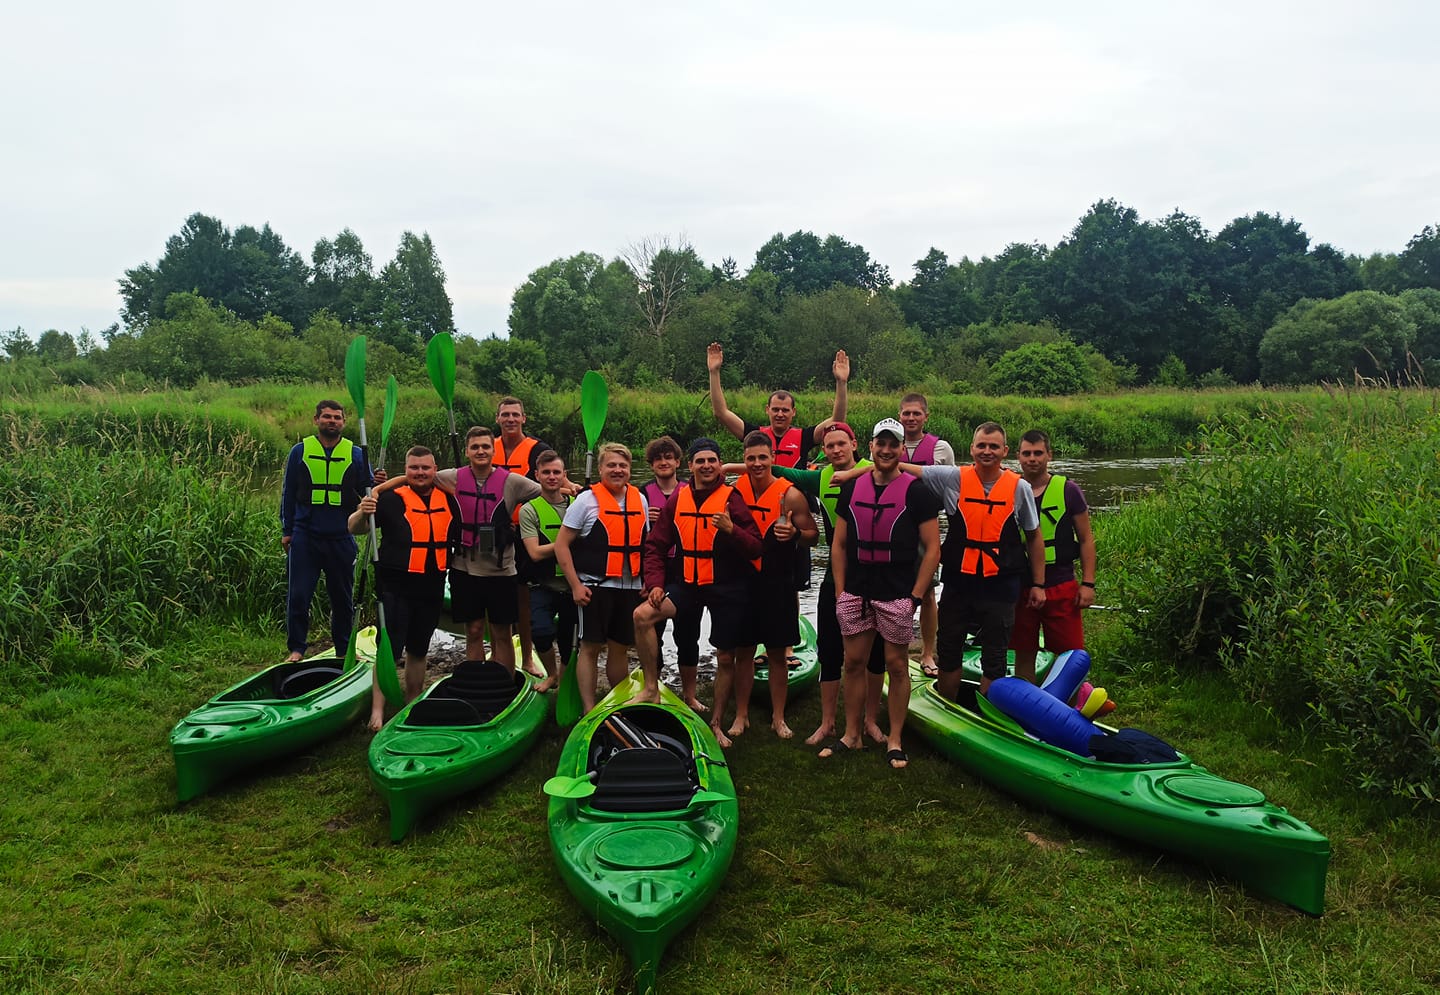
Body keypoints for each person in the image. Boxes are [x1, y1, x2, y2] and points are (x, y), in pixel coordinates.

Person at [823, 419, 942, 769]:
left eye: (894, 445)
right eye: (881, 444)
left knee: (897, 664)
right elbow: (838, 544)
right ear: (871, 446)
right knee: (853, 662)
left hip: (896, 592)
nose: (887, 450)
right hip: (856, 591)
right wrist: (841, 591)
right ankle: (852, 734)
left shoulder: (917, 492)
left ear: (902, 449)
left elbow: (933, 549)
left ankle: (894, 739)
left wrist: (915, 597)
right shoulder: (851, 489)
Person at [905, 423, 1047, 702]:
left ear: (1005, 451)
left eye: (994, 446)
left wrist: (1038, 584)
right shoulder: (952, 478)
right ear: (971, 449)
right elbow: (903, 468)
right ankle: (948, 702)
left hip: (1000, 585)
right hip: (959, 583)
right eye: (981, 445)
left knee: (995, 655)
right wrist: (855, 471)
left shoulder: (1019, 488)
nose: (987, 451)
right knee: (949, 649)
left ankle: (989, 710)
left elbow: (1034, 537)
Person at [379, 426, 540, 669]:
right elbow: (416, 477)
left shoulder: (513, 481)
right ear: (466, 451)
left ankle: (504, 684)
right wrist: (379, 490)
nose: (480, 451)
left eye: (485, 446)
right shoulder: (452, 477)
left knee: (502, 633)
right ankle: (476, 680)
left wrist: (569, 487)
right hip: (464, 568)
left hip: (501, 570)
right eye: (475, 447)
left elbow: (546, 489)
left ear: (493, 450)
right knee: (473, 630)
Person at [632, 438, 763, 736]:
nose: (706, 466)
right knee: (642, 616)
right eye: (700, 461)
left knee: (725, 657)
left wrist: (732, 529)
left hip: (725, 588)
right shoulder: (678, 500)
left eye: (712, 460)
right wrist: (655, 583)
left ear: (720, 465)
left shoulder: (732, 498)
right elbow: (655, 545)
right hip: (687, 585)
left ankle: (716, 723)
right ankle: (651, 688)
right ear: (690, 466)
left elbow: (756, 547)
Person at [768, 423, 886, 745]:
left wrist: (852, 474)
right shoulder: (820, 478)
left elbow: (898, 468)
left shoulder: (876, 468)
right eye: (829, 446)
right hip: (837, 574)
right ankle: (828, 723)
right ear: (823, 451)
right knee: (830, 650)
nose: (835, 450)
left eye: (841, 444)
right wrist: (729, 468)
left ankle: (870, 722)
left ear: (854, 444)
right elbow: (777, 470)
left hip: (875, 574)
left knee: (876, 653)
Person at [349, 446, 460, 731]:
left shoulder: (449, 499)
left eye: (425, 468)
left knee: (419, 649)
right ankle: (377, 710)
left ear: (435, 470)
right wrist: (363, 511)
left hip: (432, 584)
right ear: (406, 469)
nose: (420, 473)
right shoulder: (389, 499)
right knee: (389, 649)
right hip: (395, 586)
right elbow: (354, 528)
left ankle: (412, 702)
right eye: (414, 468)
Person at [729, 431, 819, 739]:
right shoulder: (734, 493)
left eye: (762, 458)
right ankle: (741, 715)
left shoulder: (790, 495)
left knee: (778, 654)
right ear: (744, 460)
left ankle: (778, 718)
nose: (757, 464)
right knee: (744, 652)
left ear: (772, 458)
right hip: (743, 582)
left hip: (777, 583)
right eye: (751, 458)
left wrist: (795, 534)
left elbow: (814, 536)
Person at [280, 400, 380, 663]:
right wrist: (287, 530)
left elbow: (368, 489)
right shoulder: (300, 451)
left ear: (343, 422)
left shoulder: (356, 454)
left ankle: (343, 649)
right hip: (305, 536)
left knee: (342, 599)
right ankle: (297, 648)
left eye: (337, 417)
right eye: (326, 417)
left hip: (340, 537)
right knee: (299, 595)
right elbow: (289, 493)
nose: (332, 421)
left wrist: (377, 481)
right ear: (316, 420)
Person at [554, 443, 649, 714]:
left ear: (629, 469)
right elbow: (562, 545)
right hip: (594, 587)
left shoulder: (640, 500)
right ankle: (589, 709)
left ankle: (618, 704)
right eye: (611, 465)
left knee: (620, 648)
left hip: (629, 587)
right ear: (600, 469)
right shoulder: (586, 501)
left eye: (623, 466)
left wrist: (647, 581)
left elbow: (644, 544)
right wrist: (575, 585)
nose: (617, 470)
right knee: (590, 647)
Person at [1010, 429, 1097, 682]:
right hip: (1021, 585)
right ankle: (1026, 700)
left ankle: (1066, 701)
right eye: (1027, 453)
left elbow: (1086, 539)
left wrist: (1088, 583)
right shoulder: (1009, 489)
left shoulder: (1068, 490)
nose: (1032, 459)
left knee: (1068, 655)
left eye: (1038, 453)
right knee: (1023, 652)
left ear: (1050, 455)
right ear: (1018, 456)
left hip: (1060, 583)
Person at [639, 436, 706, 712]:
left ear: (679, 462)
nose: (663, 462)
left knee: (687, 634)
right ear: (651, 464)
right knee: (652, 629)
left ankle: (690, 695)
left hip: (685, 570)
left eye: (668, 457)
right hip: (655, 569)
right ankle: (652, 686)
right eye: (658, 459)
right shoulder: (642, 494)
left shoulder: (690, 490)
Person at [707, 341, 850, 468]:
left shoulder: (804, 437)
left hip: (793, 490)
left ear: (793, 412)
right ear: (767, 410)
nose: (780, 414)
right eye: (775, 409)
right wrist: (714, 372)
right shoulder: (754, 435)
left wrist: (841, 382)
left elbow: (837, 421)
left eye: (785, 410)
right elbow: (721, 413)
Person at [493, 395, 552, 679]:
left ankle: (527, 657)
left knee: (523, 598)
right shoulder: (486, 447)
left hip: (524, 532)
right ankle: (496, 653)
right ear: (498, 419)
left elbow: (553, 476)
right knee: (493, 596)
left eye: (515, 414)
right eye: (505, 415)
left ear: (524, 418)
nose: (510, 419)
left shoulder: (537, 449)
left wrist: (571, 487)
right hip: (493, 532)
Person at [897, 392, 954, 679]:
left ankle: (928, 652)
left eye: (916, 413)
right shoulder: (888, 443)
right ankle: (894, 650)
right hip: (894, 528)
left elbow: (951, 489)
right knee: (893, 590)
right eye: (906, 413)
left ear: (925, 416)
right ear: (899, 416)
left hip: (925, 528)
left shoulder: (941, 448)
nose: (911, 418)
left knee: (928, 591)